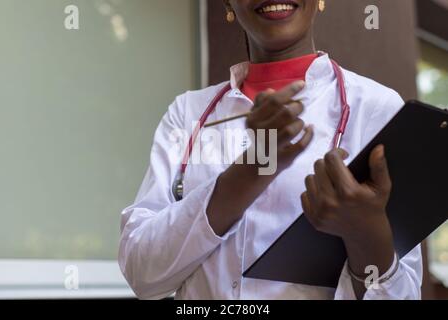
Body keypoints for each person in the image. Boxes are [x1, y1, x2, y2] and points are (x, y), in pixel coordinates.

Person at [118, 0, 422, 300]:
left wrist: (367, 235)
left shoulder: (377, 108)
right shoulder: (188, 113)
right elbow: (142, 275)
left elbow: (403, 294)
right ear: (228, 4)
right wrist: (252, 169)